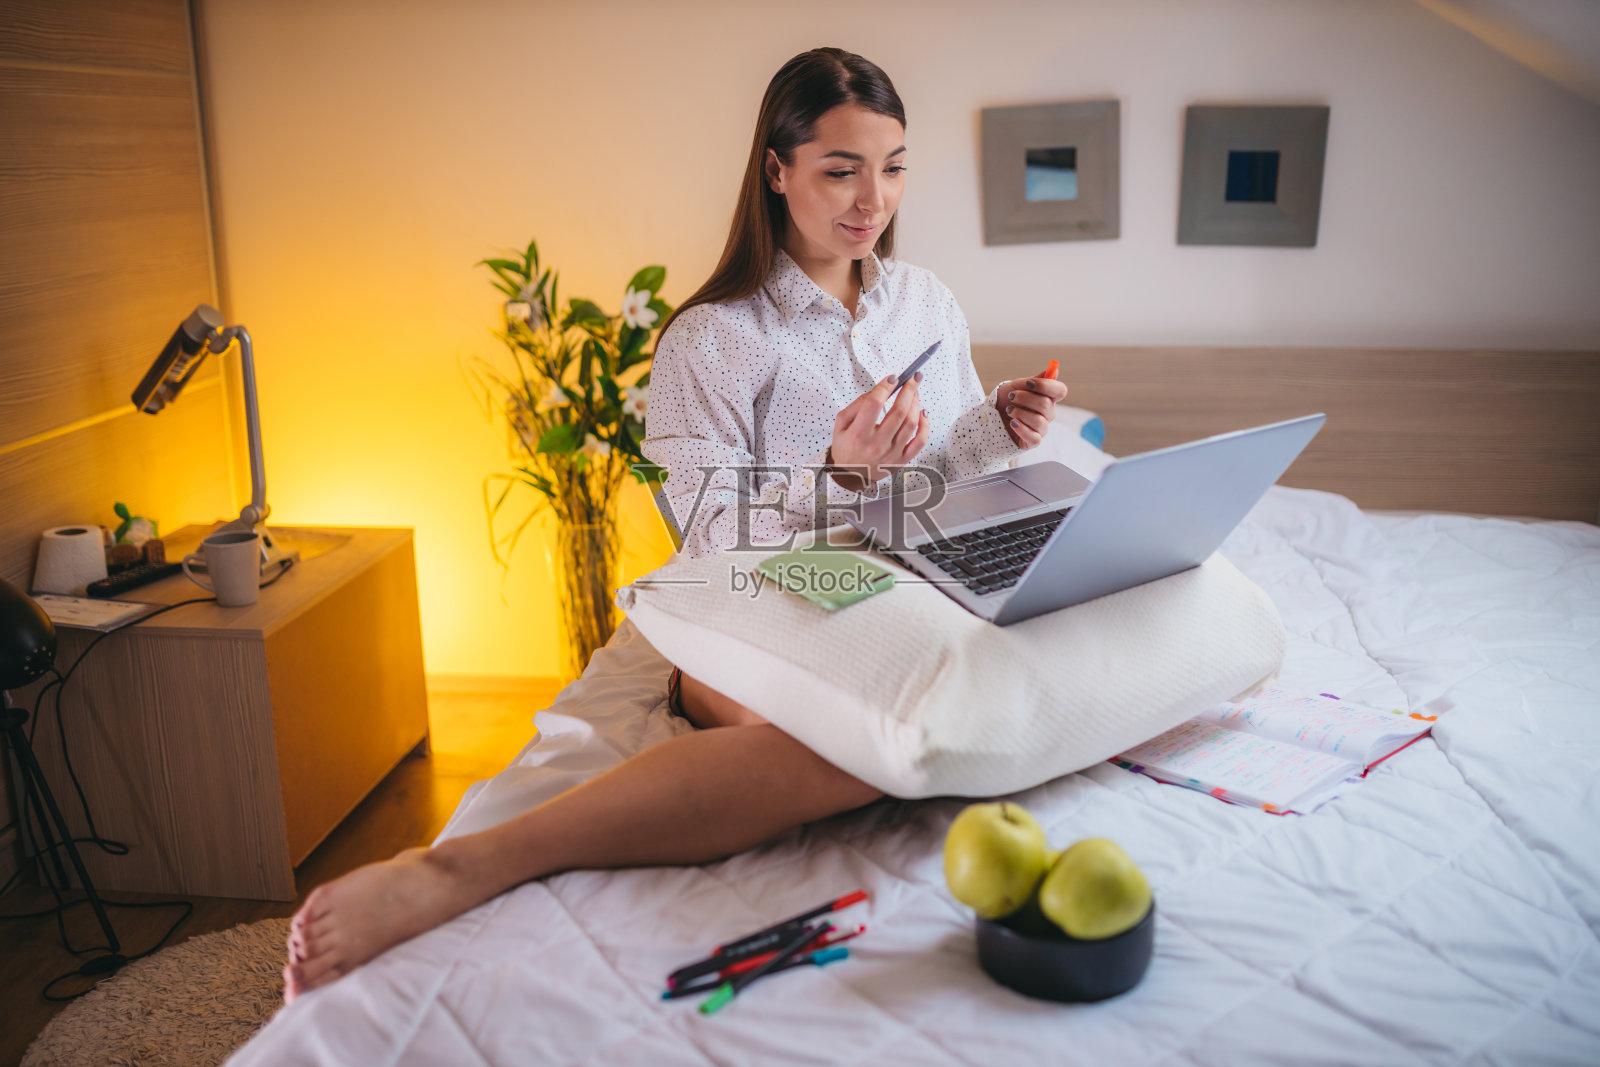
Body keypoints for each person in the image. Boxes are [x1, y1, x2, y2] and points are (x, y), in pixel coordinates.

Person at [281, 46, 1068, 1003]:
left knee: (1009, 665)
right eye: (840, 169)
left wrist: (995, 423)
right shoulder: (713, 338)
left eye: (893, 166)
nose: (873, 199)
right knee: (846, 735)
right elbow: (710, 541)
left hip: (900, 584)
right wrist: (833, 474)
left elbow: (936, 472)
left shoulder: (927, 301)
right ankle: (465, 867)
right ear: (776, 170)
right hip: (756, 598)